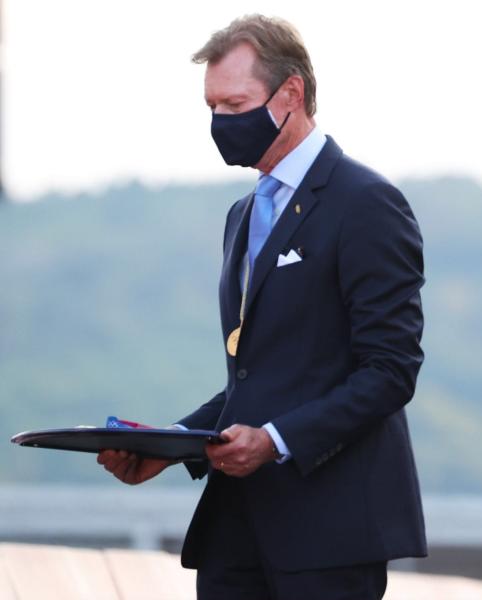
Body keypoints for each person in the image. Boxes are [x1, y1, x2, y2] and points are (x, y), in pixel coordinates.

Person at [96, 15, 427, 600]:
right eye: (212, 107)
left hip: (328, 535)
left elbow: (390, 371)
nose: (221, 123)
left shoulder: (366, 203)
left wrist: (275, 440)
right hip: (236, 533)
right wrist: (171, 446)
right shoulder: (241, 217)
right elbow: (257, 378)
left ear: (291, 94)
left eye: (235, 104)